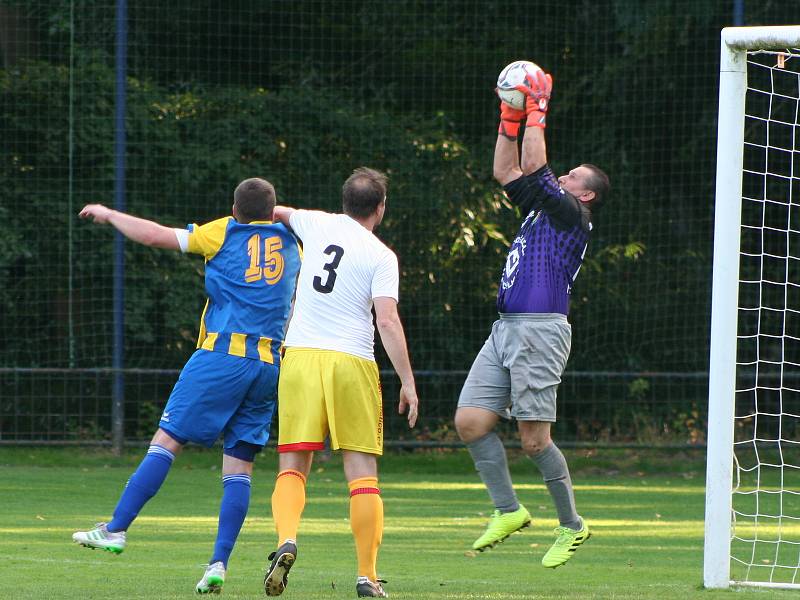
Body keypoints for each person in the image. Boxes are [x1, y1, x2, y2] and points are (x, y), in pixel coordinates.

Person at [72, 178, 302, 594]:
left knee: (168, 440)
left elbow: (157, 236)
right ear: (273, 212)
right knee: (239, 467)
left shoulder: (226, 231)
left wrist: (109, 214)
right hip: (269, 363)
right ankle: (218, 563)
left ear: (235, 209)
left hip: (221, 356)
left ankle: (116, 528)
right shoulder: (294, 242)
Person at [454, 67, 609, 568]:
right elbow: (506, 172)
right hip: (505, 331)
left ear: (584, 194)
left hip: (540, 331)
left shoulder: (571, 215)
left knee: (533, 440)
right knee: (472, 422)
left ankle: (572, 525)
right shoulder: (542, 210)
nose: (562, 178)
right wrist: (508, 115)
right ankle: (509, 510)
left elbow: (536, 163)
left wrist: (537, 110)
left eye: (571, 179)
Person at [262, 167, 419, 598]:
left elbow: (270, 208)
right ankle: (367, 576)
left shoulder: (314, 222)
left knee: (293, 464)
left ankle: (286, 540)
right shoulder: (382, 255)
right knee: (362, 473)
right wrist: (407, 380)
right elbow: (386, 319)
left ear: (344, 201)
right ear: (380, 208)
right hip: (351, 361)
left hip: (301, 357)